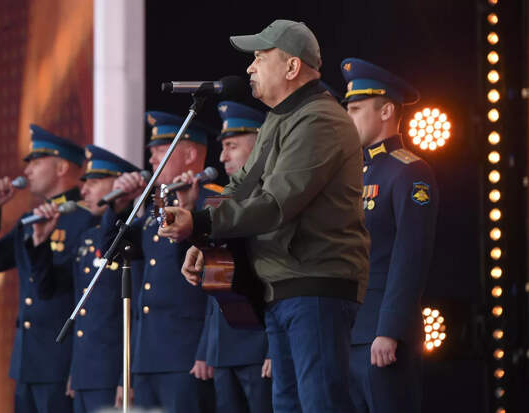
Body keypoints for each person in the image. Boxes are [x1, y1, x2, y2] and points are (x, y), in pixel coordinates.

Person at [158, 19, 369, 413]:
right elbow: (239, 187)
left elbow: (275, 203)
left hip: (315, 284)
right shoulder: (279, 118)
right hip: (284, 285)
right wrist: (205, 240)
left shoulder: (319, 119)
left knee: (320, 404)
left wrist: (200, 222)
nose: (249, 67)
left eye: (259, 57)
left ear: (291, 67)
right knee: (289, 405)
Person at [0, 125, 97, 413]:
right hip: (27, 361)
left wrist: (78, 364)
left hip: (61, 359)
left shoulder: (85, 220)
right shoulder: (30, 219)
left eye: (36, 162)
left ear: (61, 167)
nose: (27, 171)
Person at [100, 112, 218, 413]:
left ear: (189, 155)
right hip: (147, 357)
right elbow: (114, 253)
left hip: (186, 354)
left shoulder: (211, 204)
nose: (151, 160)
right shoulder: (156, 210)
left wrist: (207, 349)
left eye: (160, 151)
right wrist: (118, 208)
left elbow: (213, 288)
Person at [341, 57, 439, 412]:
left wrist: (390, 329)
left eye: (356, 109)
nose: (348, 117)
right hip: (347, 331)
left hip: (381, 334)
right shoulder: (351, 173)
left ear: (385, 111)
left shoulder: (409, 172)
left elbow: (409, 257)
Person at [29, 145, 140, 412]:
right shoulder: (88, 238)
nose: (84, 191)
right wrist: (40, 244)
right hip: (85, 375)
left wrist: (127, 376)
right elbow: (54, 291)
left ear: (120, 185)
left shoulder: (134, 237)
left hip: (115, 373)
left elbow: (136, 314)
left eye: (94, 182)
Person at [179, 101, 273, 413]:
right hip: (226, 346)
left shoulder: (274, 197)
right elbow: (215, 284)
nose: (222, 157)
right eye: (222, 147)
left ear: (259, 143)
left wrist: (276, 348)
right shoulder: (221, 202)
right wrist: (210, 348)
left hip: (261, 346)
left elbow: (279, 277)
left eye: (231, 146)